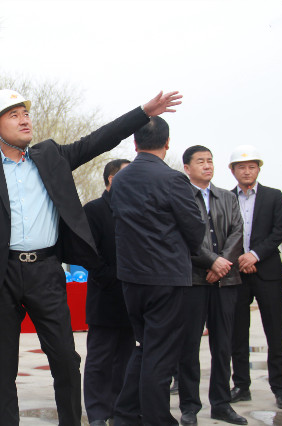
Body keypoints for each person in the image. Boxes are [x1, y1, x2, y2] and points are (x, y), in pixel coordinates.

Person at [0, 88, 182, 426]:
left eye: (25, 113)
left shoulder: (51, 156)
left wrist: (143, 112)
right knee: (3, 366)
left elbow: (99, 140)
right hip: (0, 276)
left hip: (46, 271)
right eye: (13, 115)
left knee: (65, 359)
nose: (24, 120)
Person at [110, 117, 205, 426]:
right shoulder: (173, 179)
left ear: (135, 142)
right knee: (161, 355)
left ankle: (125, 414)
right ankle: (157, 419)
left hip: (131, 278)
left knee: (146, 347)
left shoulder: (120, 180)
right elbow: (195, 229)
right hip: (166, 278)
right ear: (167, 142)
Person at [178, 145, 246, 425]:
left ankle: (221, 403)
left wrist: (221, 265)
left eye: (210, 161)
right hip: (193, 281)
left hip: (226, 280)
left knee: (223, 345)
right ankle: (189, 406)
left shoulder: (228, 198)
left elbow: (237, 232)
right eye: (200, 161)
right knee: (189, 345)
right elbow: (182, 237)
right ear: (187, 168)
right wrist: (210, 262)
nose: (207, 166)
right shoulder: (181, 197)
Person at [228, 145, 282, 410]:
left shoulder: (274, 196)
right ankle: (241, 385)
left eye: (252, 167)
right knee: (238, 332)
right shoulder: (226, 198)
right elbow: (222, 232)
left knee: (275, 331)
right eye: (241, 167)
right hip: (237, 273)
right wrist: (241, 258)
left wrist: (254, 255)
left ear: (259, 169)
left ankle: (280, 387)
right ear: (232, 171)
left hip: (267, 272)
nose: (247, 171)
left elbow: (278, 232)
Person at [82, 159, 134, 426]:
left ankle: (120, 410)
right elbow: (87, 253)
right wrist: (111, 278)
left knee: (127, 358)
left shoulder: (136, 208)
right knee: (100, 359)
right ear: (112, 179)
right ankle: (97, 413)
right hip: (105, 295)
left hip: (133, 297)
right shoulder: (93, 210)